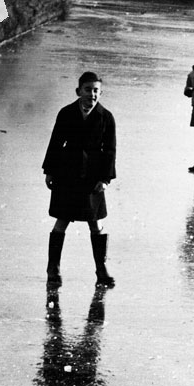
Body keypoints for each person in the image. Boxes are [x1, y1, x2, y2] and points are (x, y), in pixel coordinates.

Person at [43, 70, 117, 289]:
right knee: (62, 220)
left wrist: (105, 178)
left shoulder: (106, 117)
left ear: (101, 93)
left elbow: (110, 150)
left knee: (96, 222)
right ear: (78, 91)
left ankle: (101, 269)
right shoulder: (66, 113)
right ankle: (53, 269)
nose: (92, 94)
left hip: (93, 177)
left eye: (96, 91)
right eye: (87, 90)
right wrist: (49, 171)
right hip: (67, 173)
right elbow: (56, 142)